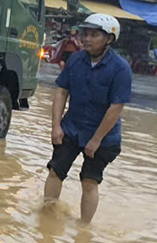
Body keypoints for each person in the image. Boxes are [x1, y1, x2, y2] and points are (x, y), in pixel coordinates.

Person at [46, 14, 131, 224]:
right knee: (55, 171)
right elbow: (61, 92)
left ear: (109, 39)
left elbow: (116, 107)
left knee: (89, 181)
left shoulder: (120, 69)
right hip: (71, 128)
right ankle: (45, 219)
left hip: (104, 136)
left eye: (94, 35)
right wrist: (56, 126)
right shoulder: (75, 60)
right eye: (86, 34)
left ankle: (84, 228)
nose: (86, 39)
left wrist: (96, 140)